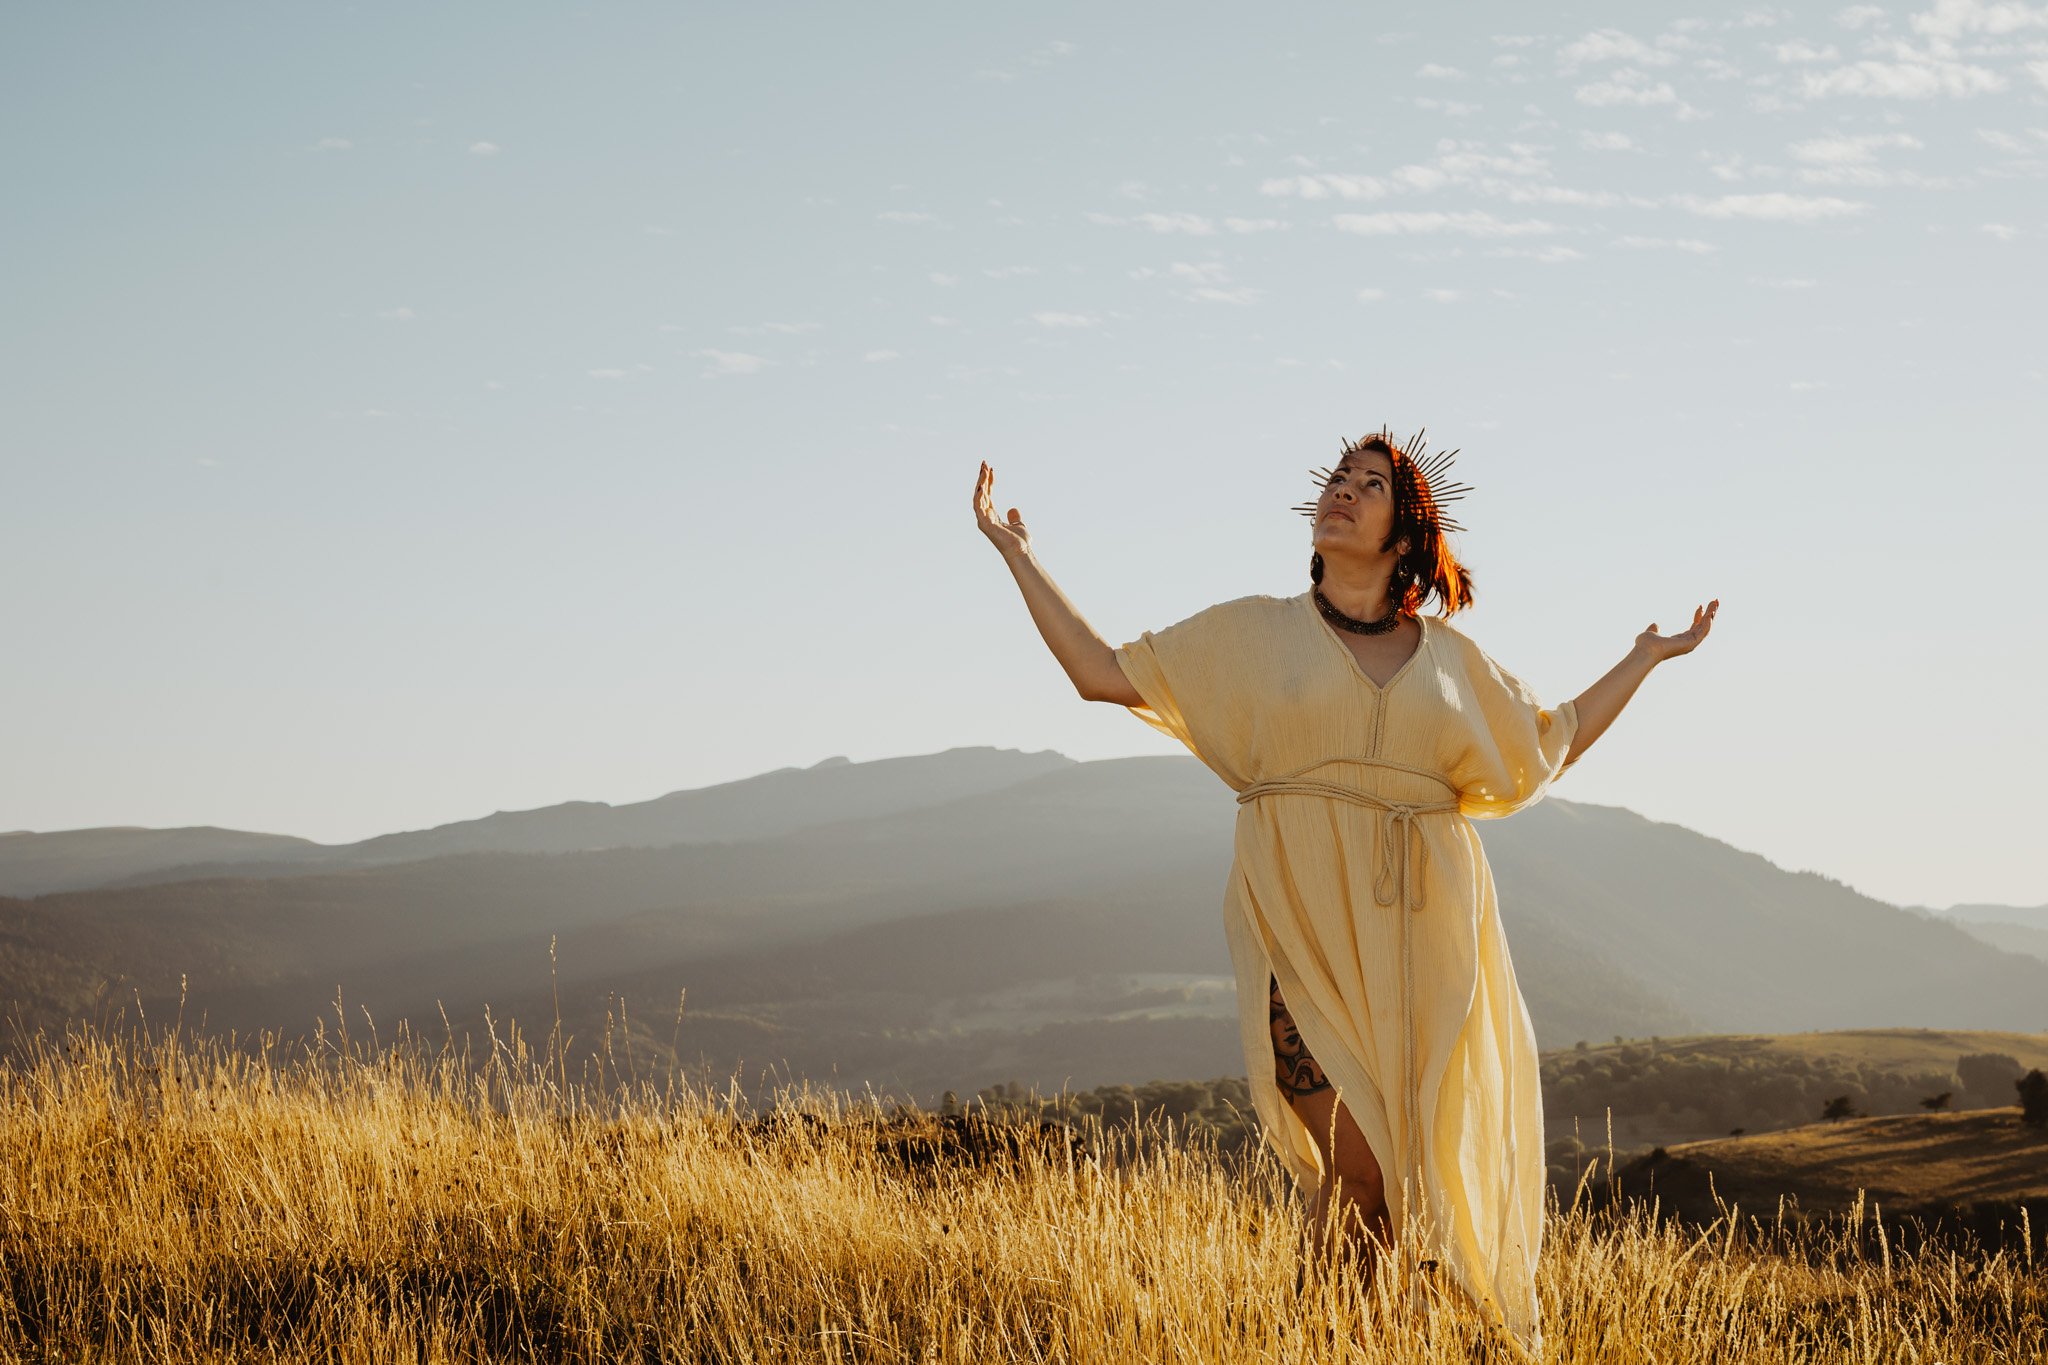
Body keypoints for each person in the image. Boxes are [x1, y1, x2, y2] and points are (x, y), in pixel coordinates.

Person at [972, 430, 1717, 1356]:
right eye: (1338, 477)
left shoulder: (1450, 661)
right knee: (1362, 1169)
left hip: (1424, 947)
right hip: (1305, 933)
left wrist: (1645, 656)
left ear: (1405, 534)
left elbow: (1547, 742)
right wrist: (1020, 554)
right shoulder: (1253, 632)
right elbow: (1102, 673)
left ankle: (1328, 1342)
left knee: (1391, 1188)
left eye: (1371, 486)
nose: (1345, 492)